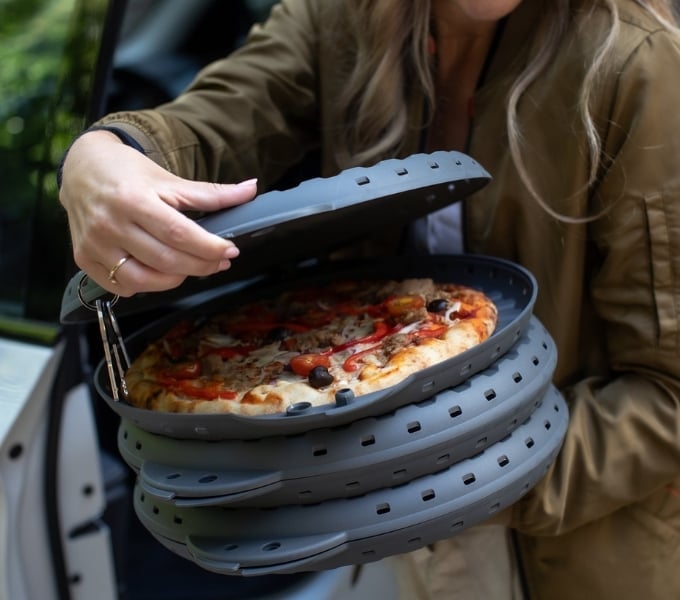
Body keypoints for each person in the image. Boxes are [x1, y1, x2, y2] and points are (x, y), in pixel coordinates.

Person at [58, 0, 680, 599]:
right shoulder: (342, 15)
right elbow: (216, 119)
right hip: (384, 527)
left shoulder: (639, 65)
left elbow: (668, 396)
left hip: (571, 549)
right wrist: (102, 157)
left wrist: (439, 485)